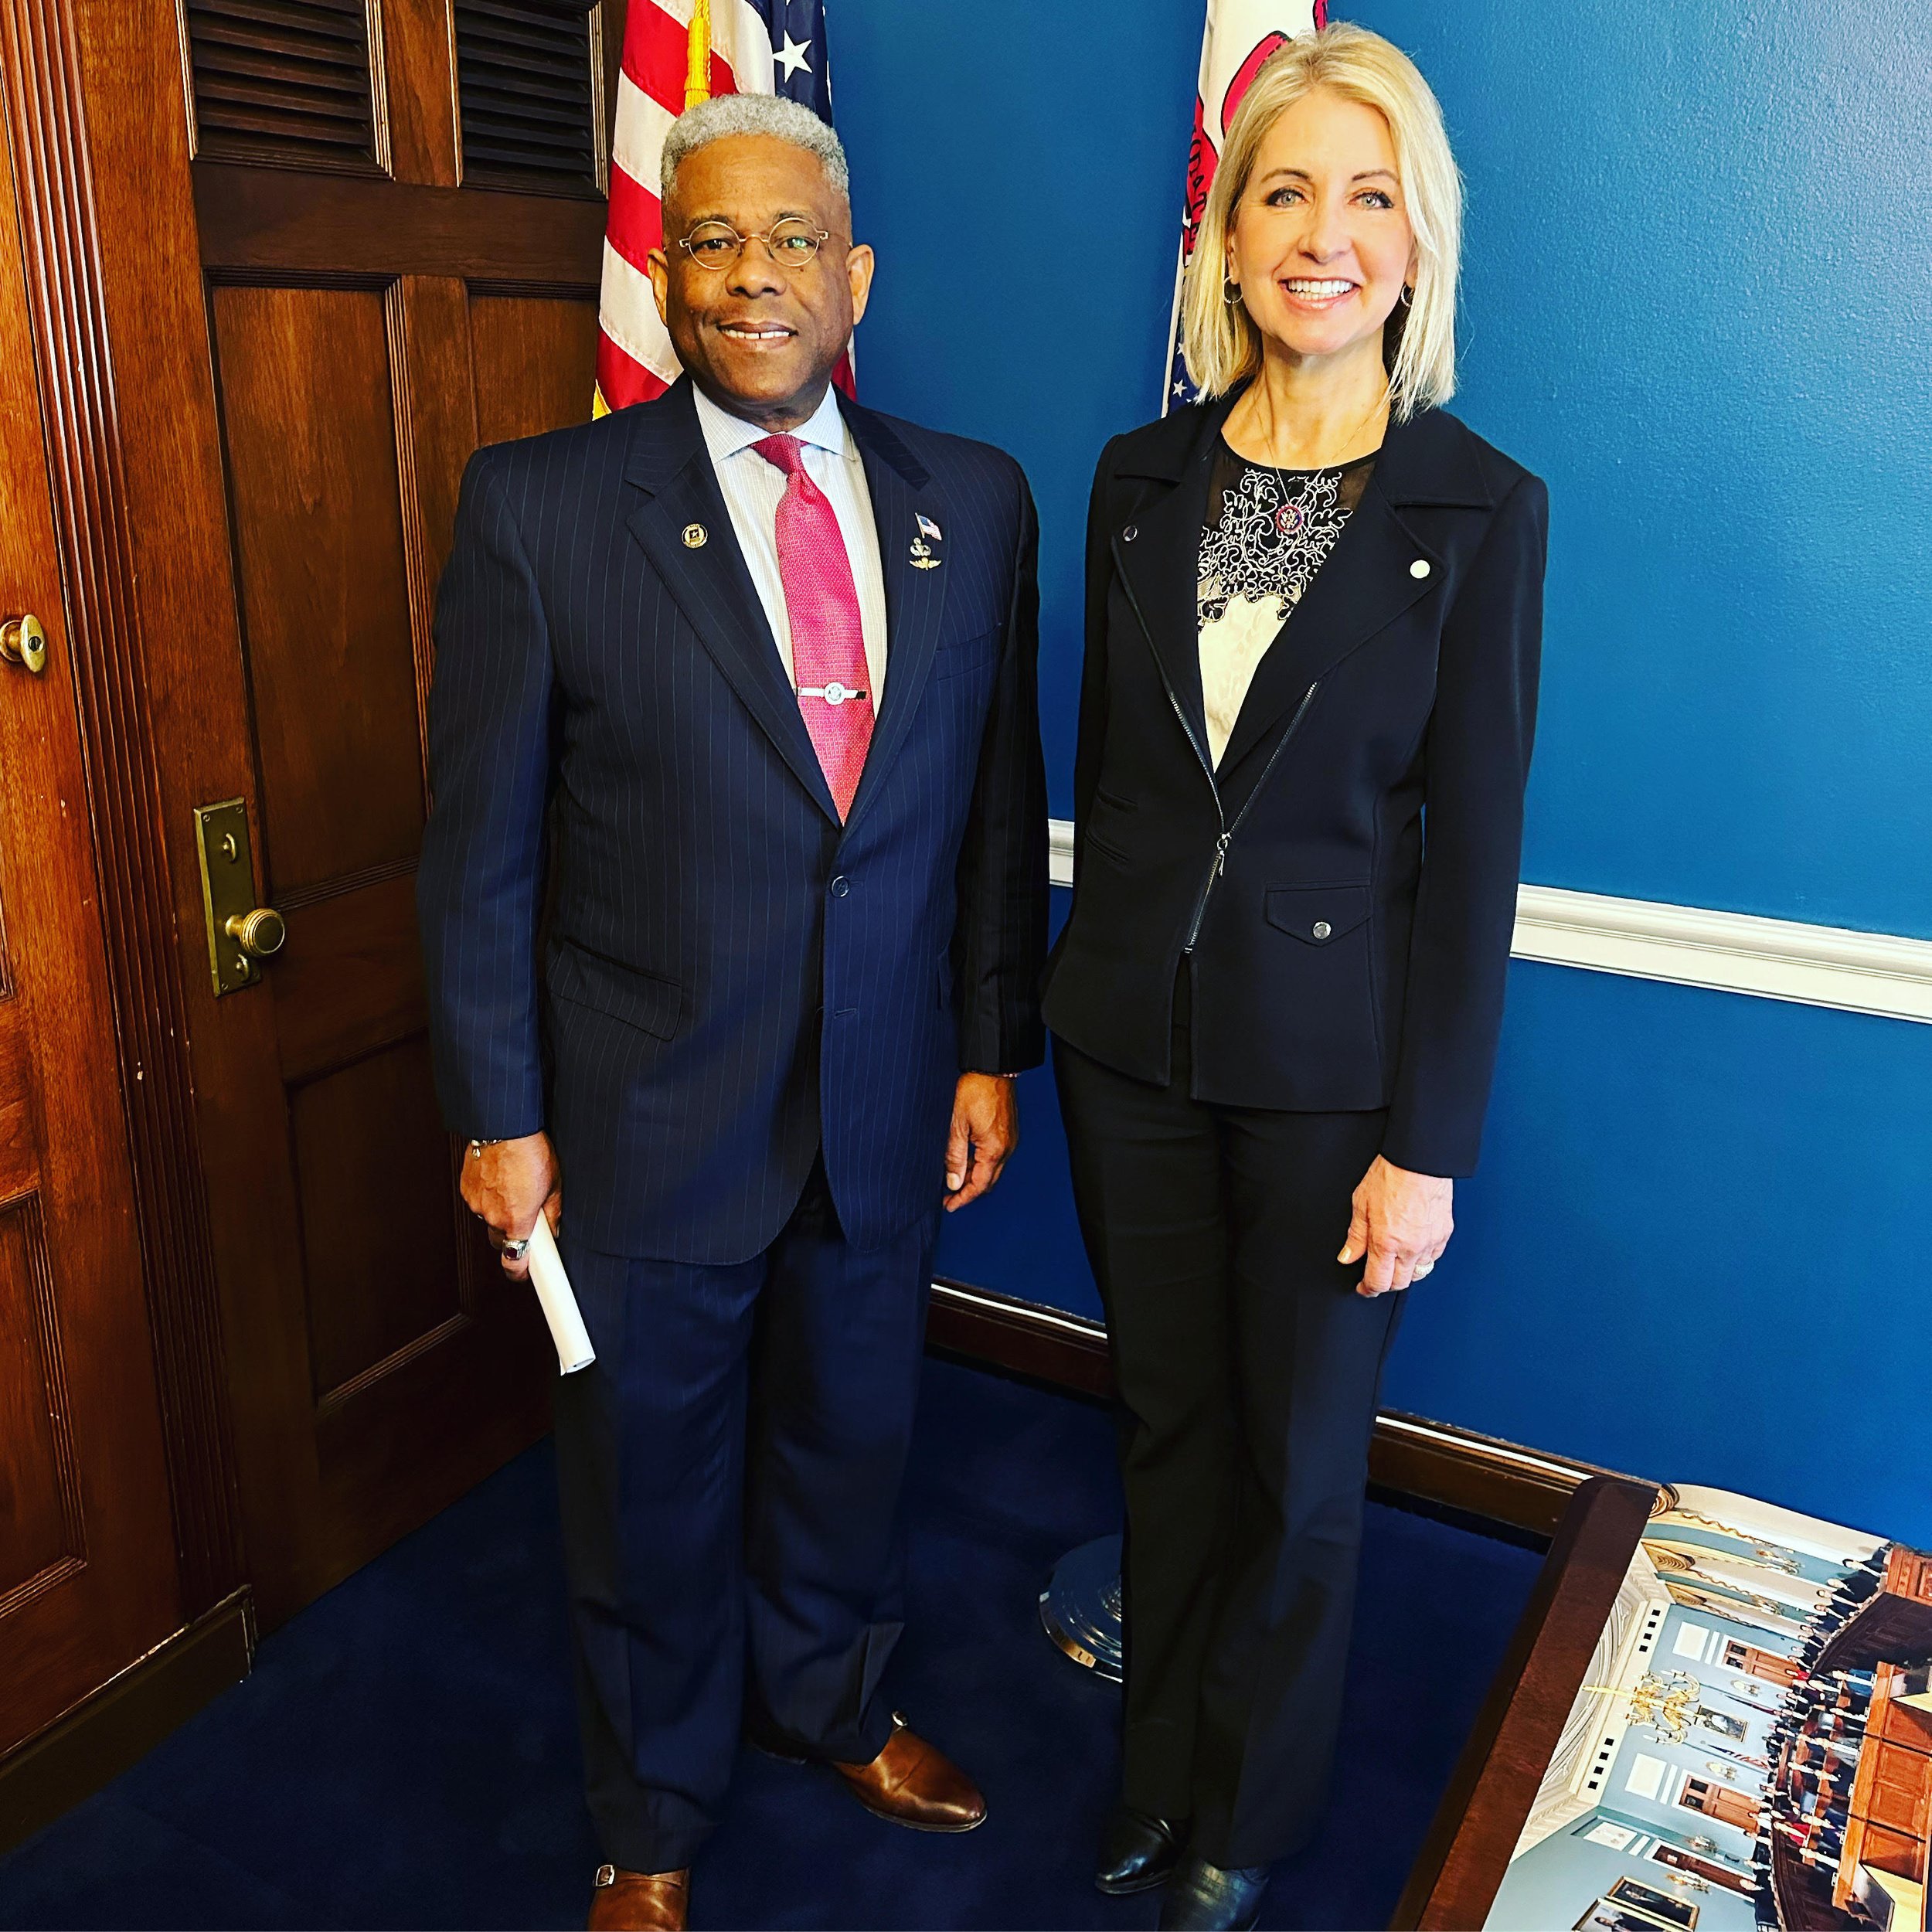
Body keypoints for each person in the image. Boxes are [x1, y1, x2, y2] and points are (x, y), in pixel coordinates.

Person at [417, 94, 1048, 1932]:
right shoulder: (541, 509)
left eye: (787, 239)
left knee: (852, 1441)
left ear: (853, 277)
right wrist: (499, 1106)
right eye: (709, 241)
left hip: (879, 1100)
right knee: (646, 1493)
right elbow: (479, 849)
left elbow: (989, 804)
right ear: (665, 272)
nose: (749, 273)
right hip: (639, 1117)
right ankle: (651, 1815)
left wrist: (986, 1040)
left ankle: (834, 1699)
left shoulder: (973, 501)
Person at [1041, 26, 1548, 1930]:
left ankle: (1244, 1809)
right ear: (1227, 231)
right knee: (1164, 1430)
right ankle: (1153, 1766)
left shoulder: (1477, 507)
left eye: (1364, 195)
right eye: (1281, 191)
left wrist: (1426, 1146)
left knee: (1299, 1464)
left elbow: (1472, 858)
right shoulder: (1130, 476)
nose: (1318, 233)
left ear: (1412, 245)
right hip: (1125, 1052)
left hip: (1335, 1084)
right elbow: (1108, 780)